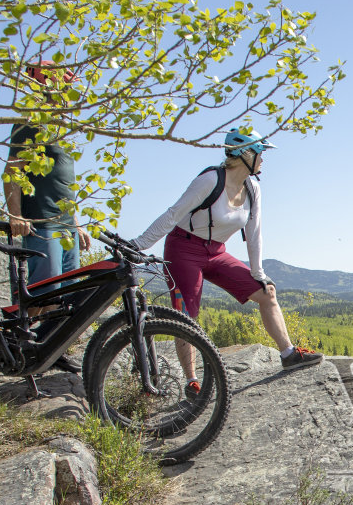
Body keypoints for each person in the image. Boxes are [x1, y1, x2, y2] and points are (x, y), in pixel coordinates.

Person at [130, 127, 322, 384]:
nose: (263, 159)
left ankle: (289, 354)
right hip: (183, 248)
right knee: (186, 315)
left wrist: (258, 273)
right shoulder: (210, 180)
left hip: (217, 251)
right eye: (260, 152)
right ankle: (192, 382)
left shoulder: (253, 187)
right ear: (245, 154)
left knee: (267, 293)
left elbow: (254, 232)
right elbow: (172, 215)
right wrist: (138, 244)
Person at [4, 62, 92, 289]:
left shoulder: (61, 129)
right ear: (50, 88)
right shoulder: (31, 123)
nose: (71, 97)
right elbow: (12, 171)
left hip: (66, 227)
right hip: (42, 225)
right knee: (46, 292)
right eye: (67, 89)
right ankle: (22, 327)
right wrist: (16, 216)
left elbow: (62, 185)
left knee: (68, 295)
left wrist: (76, 225)